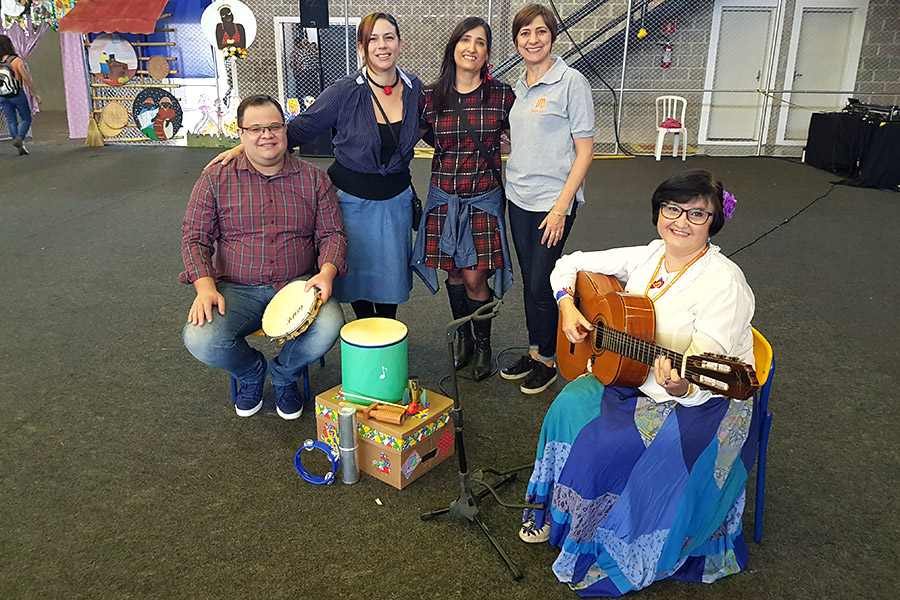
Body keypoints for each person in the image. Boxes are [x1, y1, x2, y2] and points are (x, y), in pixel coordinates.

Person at [519, 170, 756, 597]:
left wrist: (682, 387)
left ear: (714, 221)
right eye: (672, 208)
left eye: (697, 214)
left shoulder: (725, 284)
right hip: (632, 374)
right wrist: (568, 306)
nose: (680, 221)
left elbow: (703, 373)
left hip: (703, 401)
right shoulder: (650, 255)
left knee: (604, 446)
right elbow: (568, 263)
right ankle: (560, 514)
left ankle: (603, 538)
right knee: (566, 406)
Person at [208, 13, 424, 322]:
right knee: (356, 276)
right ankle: (363, 329)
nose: (382, 46)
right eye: (373, 39)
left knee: (391, 277)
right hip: (351, 202)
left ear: (400, 43)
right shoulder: (345, 91)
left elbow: (437, 129)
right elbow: (299, 130)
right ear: (361, 47)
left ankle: (385, 332)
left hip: (396, 202)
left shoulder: (416, 90)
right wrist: (246, 147)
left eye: (389, 38)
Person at [181, 95, 347, 420]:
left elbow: (333, 234)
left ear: (285, 129)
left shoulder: (314, 179)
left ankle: (285, 375)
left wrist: (326, 272)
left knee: (330, 325)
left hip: (297, 286)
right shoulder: (215, 179)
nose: (266, 135)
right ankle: (251, 372)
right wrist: (204, 287)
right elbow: (194, 238)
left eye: (274, 126)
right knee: (200, 338)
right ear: (241, 134)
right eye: (255, 128)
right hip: (236, 290)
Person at [413, 17, 515, 381]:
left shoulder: (502, 95)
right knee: (454, 272)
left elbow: (522, 139)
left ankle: (483, 345)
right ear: (453, 47)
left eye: (480, 42)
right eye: (465, 40)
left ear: (487, 53)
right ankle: (464, 339)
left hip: (482, 201)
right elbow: (411, 136)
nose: (472, 48)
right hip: (444, 199)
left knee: (475, 277)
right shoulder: (430, 96)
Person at [500, 4, 595, 395]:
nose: (533, 40)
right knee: (530, 282)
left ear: (551, 37)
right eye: (524, 33)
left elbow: (585, 152)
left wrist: (560, 209)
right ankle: (535, 351)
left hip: (552, 204)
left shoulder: (571, 82)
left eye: (540, 31)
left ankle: (551, 360)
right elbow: (523, 140)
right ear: (516, 41)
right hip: (518, 198)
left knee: (543, 282)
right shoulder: (518, 87)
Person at [0, 34, 41, 156]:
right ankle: (20, 138)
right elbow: (26, 78)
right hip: (17, 93)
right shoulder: (15, 60)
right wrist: (34, 93)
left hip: (3, 95)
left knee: (11, 121)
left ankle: (19, 145)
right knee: (26, 118)